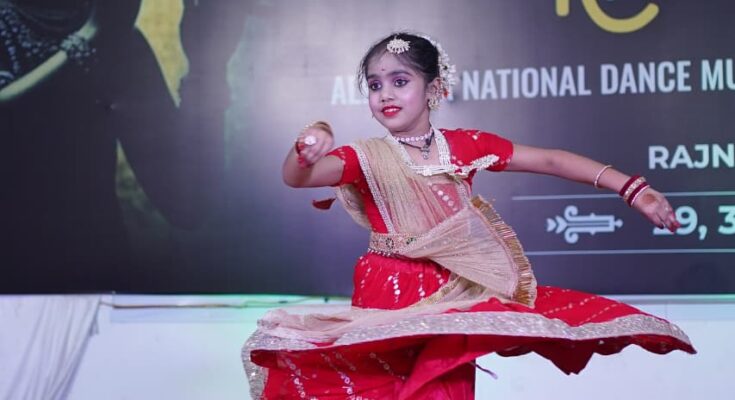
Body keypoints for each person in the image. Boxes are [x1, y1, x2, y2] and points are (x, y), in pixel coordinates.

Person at [242, 32, 694, 399]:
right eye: (375, 85)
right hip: (386, 294)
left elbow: (550, 160)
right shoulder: (364, 156)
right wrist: (304, 151)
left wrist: (631, 189)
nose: (385, 94)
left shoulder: (464, 146)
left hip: (452, 295)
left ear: (434, 89)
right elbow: (299, 178)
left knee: (443, 391)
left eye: (400, 81)